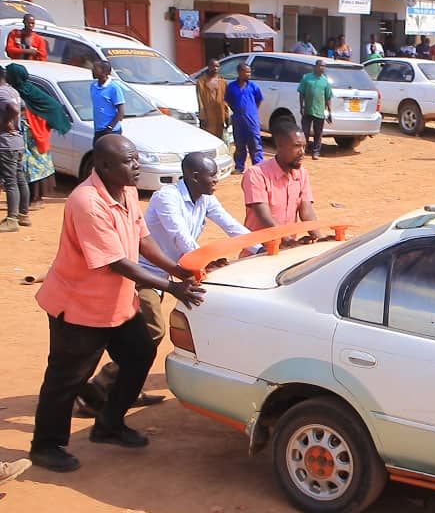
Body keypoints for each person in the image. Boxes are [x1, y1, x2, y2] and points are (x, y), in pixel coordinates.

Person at [30, 134, 205, 472]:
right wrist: (172, 287)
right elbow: (115, 261)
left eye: (137, 158)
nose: (136, 166)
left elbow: (142, 238)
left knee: (139, 353)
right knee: (67, 378)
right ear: (104, 166)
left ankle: (109, 424)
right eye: (129, 161)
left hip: (116, 304)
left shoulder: (125, 191)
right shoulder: (86, 202)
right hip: (79, 308)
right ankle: (46, 445)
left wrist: (175, 267)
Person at [77, 153, 257, 418]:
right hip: (143, 275)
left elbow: (231, 225)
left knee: (145, 336)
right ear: (195, 177)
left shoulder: (205, 197)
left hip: (169, 274)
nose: (217, 179)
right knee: (153, 332)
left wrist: (262, 247)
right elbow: (180, 238)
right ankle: (99, 386)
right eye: (212, 175)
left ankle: (125, 386)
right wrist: (202, 264)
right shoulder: (166, 197)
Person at [241, 122, 323, 245]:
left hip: (287, 249)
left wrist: (319, 238)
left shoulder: (302, 174)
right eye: (296, 146)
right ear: (280, 146)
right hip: (259, 251)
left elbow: (306, 212)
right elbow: (265, 217)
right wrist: (288, 241)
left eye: (304, 147)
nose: (302, 152)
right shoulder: (256, 174)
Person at [6, 63, 72, 210]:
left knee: (35, 166)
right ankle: (26, 199)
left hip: (34, 136)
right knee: (24, 167)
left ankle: (36, 199)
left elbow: (51, 106)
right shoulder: (15, 91)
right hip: (24, 136)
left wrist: (39, 121)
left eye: (9, 75)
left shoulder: (29, 92)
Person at [0, 65, 26, 233]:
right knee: (19, 179)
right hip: (17, 142)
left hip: (6, 143)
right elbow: (22, 108)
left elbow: (15, 109)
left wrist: (6, 123)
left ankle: (12, 219)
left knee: (10, 182)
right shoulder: (12, 91)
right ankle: (23, 214)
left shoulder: (1, 93)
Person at [224, 63, 264, 173]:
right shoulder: (231, 87)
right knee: (240, 144)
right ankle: (239, 166)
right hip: (238, 120)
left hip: (252, 120)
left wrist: (252, 111)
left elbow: (259, 100)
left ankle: (258, 166)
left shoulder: (254, 87)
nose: (249, 74)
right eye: (246, 72)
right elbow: (229, 101)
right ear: (240, 72)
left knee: (255, 143)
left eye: (250, 72)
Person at [298, 60, 333, 160]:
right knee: (305, 132)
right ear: (316, 66)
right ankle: (302, 151)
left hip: (319, 111)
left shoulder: (325, 81)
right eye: (321, 65)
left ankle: (316, 152)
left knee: (318, 133)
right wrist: (302, 106)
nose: (323, 68)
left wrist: (330, 112)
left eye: (324, 66)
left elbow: (328, 97)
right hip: (307, 110)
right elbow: (301, 93)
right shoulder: (307, 78)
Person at [90, 61, 124, 144]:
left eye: (95, 68)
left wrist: (110, 127)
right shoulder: (93, 86)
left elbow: (121, 112)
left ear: (104, 72)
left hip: (111, 131)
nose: (92, 70)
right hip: (98, 130)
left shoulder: (114, 88)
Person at [196, 59, 229, 139]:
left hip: (219, 115)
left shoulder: (223, 82)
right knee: (207, 137)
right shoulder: (201, 82)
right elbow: (200, 100)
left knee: (219, 138)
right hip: (207, 115)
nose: (215, 68)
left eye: (217, 66)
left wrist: (226, 116)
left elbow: (226, 101)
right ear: (209, 67)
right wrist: (202, 116)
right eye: (213, 66)